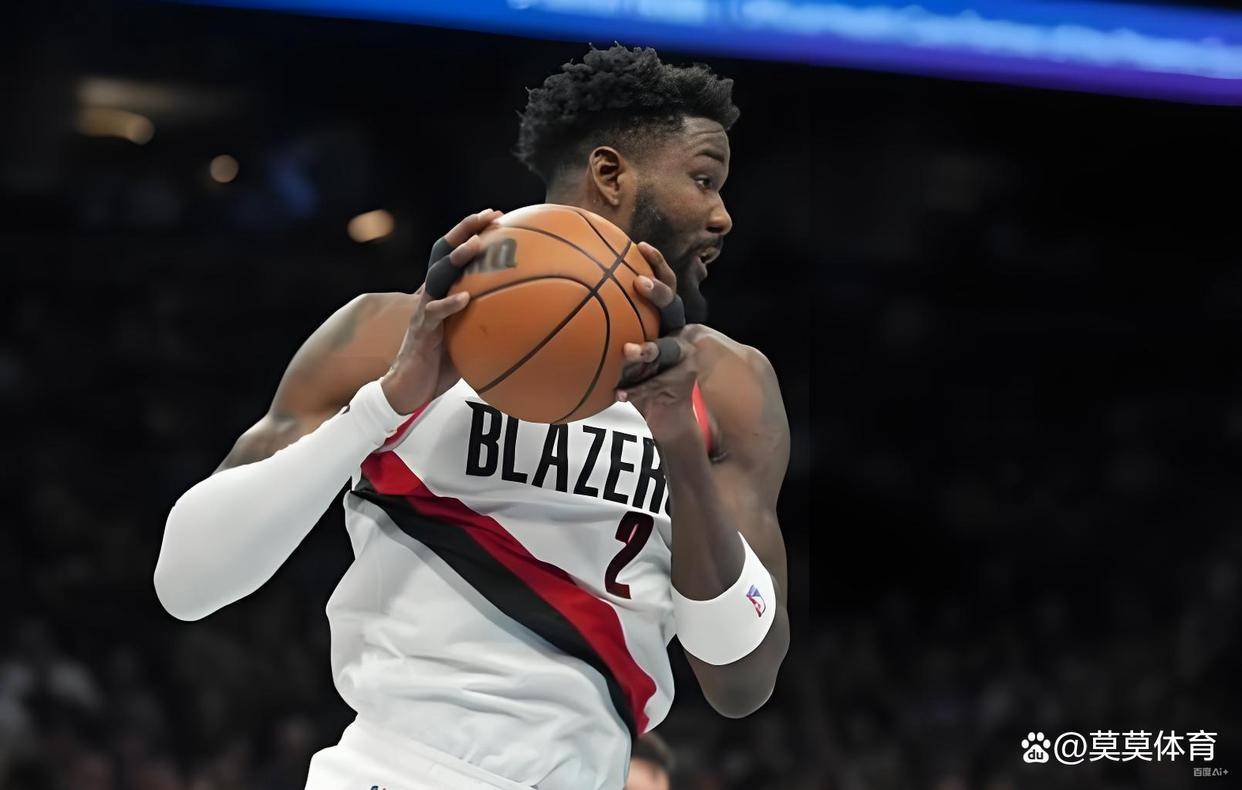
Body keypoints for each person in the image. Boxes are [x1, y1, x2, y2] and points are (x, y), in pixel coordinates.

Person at [154, 44, 790, 790]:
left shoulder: (726, 386)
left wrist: (679, 446)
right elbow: (187, 584)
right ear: (611, 174)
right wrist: (384, 405)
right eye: (704, 180)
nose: (722, 215)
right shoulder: (393, 337)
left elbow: (742, 680)